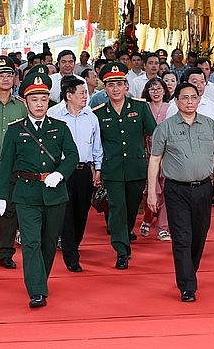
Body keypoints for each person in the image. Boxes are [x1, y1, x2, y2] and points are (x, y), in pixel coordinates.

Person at [0, 72, 78, 308]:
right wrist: (1, 196)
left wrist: (60, 173)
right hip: (26, 194)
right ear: (26, 102)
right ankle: (37, 290)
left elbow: (72, 155)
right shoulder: (14, 130)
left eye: (43, 99)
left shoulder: (59, 128)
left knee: (49, 242)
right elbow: (6, 166)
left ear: (48, 101)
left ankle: (40, 279)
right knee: (31, 243)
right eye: (34, 100)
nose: (40, 104)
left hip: (55, 194)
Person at [148, 82, 214, 302]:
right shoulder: (165, 127)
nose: (190, 102)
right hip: (176, 189)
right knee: (182, 237)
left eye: (193, 97)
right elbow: (155, 159)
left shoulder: (210, 125)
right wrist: (153, 192)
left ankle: (188, 271)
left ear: (199, 100)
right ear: (176, 101)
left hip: (203, 188)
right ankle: (187, 286)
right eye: (185, 98)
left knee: (199, 236)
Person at [93, 62, 157, 269]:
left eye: (119, 84)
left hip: (136, 167)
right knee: (117, 208)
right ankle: (121, 250)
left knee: (131, 209)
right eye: (111, 85)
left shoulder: (140, 107)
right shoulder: (99, 112)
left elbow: (153, 133)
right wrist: (97, 168)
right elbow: (96, 143)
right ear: (105, 88)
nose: (115, 89)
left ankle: (126, 234)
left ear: (126, 86)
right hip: (112, 169)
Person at [47, 76, 103, 272]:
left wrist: (98, 168)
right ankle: (71, 256)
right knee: (66, 215)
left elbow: (96, 145)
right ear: (69, 95)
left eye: (86, 93)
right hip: (62, 171)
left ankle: (73, 245)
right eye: (82, 93)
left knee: (81, 214)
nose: (86, 96)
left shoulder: (91, 116)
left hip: (84, 171)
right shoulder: (54, 114)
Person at [0, 57, 28, 266]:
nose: (5, 78)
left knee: (10, 209)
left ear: (14, 78)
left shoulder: (22, 107)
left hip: (13, 165)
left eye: (9, 74)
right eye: (0, 75)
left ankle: (6, 253)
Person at [139, 77, 172, 242]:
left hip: (169, 155)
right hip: (149, 155)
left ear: (165, 91)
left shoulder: (171, 107)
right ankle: (147, 217)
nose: (156, 92)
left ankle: (162, 227)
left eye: (159, 88)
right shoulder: (144, 108)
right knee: (151, 191)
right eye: (152, 89)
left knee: (167, 191)